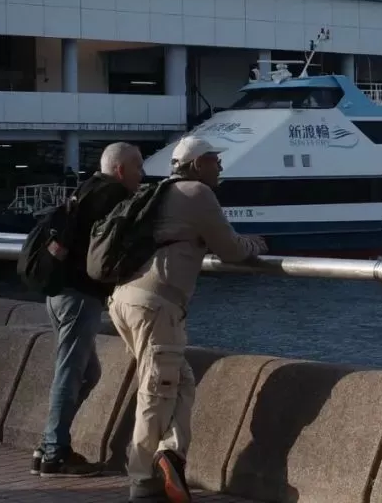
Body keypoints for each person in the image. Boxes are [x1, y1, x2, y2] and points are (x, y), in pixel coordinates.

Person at [110, 136, 266, 503]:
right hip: (156, 304)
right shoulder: (197, 193)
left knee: (180, 382)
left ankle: (172, 455)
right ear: (197, 165)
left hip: (124, 298)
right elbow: (230, 248)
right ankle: (143, 480)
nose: (220, 167)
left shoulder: (161, 190)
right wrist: (257, 245)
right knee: (157, 391)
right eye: (214, 161)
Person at [35, 142, 144, 477]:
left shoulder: (85, 189)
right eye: (138, 167)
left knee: (88, 373)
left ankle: (48, 444)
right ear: (122, 170)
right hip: (79, 296)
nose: (142, 174)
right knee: (70, 374)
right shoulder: (112, 196)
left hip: (57, 294)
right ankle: (55, 453)